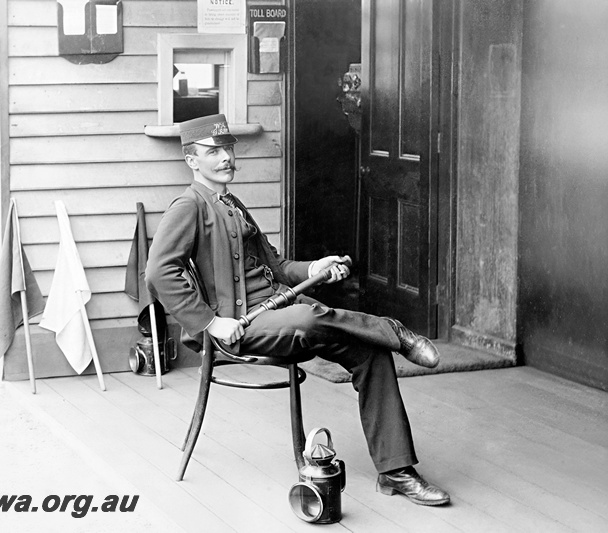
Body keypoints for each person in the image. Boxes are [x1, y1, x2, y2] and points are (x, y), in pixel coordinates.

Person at [145, 114, 450, 506]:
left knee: (370, 353)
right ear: (192, 161)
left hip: (284, 310)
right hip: (244, 327)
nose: (226, 158)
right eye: (213, 151)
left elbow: (276, 269)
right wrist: (210, 322)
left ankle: (396, 472)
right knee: (310, 316)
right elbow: (158, 271)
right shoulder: (188, 207)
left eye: (229, 149)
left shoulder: (233, 204)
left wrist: (314, 269)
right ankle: (395, 331)